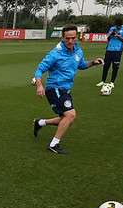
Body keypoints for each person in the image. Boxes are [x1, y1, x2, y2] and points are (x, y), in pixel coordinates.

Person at [32, 25, 103, 154]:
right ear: (62, 38)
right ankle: (54, 145)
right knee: (70, 115)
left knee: (66, 119)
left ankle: (40, 122)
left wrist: (93, 62)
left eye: (73, 38)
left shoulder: (78, 51)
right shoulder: (55, 53)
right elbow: (39, 70)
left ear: (77, 37)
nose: (70, 41)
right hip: (54, 88)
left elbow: (81, 65)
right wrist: (39, 85)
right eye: (67, 38)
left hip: (66, 89)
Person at [98, 18, 123, 89]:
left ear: (121, 25)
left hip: (118, 50)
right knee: (106, 66)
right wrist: (111, 34)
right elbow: (108, 38)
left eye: (119, 26)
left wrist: (117, 35)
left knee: (115, 67)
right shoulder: (112, 28)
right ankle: (103, 81)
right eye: (116, 26)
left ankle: (112, 82)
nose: (117, 27)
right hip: (109, 49)